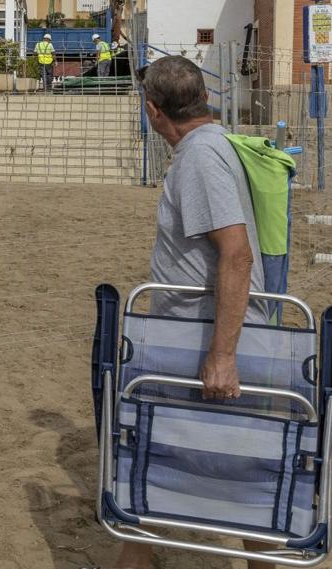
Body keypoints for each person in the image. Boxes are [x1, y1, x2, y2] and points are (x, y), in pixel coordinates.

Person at [115, 55, 270, 569]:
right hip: (189, 339)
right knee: (160, 455)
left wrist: (222, 356)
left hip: (200, 343)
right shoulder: (203, 149)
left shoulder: (202, 157)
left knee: (234, 473)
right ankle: (135, 558)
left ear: (154, 111)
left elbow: (237, 253)